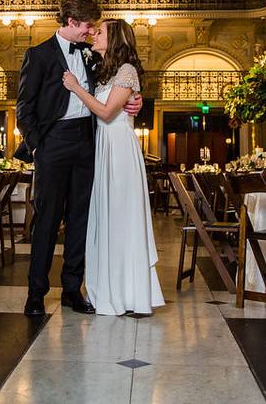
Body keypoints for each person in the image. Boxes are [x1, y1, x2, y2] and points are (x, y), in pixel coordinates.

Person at [15, 0, 142, 316]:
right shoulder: (39, 55)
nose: (90, 32)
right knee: (46, 220)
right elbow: (24, 109)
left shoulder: (92, 54)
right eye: (87, 26)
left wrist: (135, 103)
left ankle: (72, 289)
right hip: (52, 144)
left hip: (88, 142)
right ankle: (35, 294)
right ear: (71, 23)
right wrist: (38, 147)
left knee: (81, 221)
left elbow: (118, 84)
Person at [62, 19, 164, 315]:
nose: (94, 33)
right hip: (102, 147)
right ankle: (109, 290)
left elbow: (106, 113)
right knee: (106, 218)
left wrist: (76, 88)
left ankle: (133, 295)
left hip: (119, 147)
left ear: (116, 39)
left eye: (101, 31)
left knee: (123, 216)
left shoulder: (127, 70)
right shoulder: (100, 70)